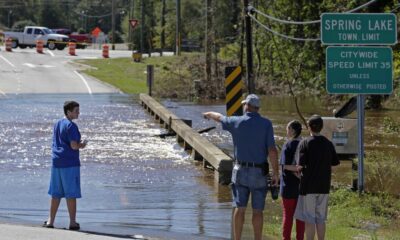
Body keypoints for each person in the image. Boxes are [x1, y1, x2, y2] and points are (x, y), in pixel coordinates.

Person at [203, 94, 279, 240]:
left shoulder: (236, 121)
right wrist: (276, 173)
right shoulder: (266, 124)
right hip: (259, 172)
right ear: (257, 108)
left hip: (240, 171)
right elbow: (272, 150)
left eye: (244, 104)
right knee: (258, 211)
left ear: (247, 106)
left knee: (240, 208)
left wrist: (208, 114)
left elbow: (219, 117)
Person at [294, 115, 340, 240]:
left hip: (308, 187)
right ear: (322, 127)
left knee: (309, 219)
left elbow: (300, 166)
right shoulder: (328, 143)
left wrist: (298, 171)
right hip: (324, 186)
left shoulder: (305, 142)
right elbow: (335, 162)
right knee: (320, 219)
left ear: (309, 127)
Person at [43, 101, 87, 230]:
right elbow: (74, 146)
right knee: (71, 193)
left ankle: (50, 221)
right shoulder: (71, 126)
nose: (78, 113)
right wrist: (82, 145)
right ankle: (72, 222)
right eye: (76, 111)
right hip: (69, 163)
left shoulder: (57, 124)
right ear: (68, 112)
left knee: (56, 193)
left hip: (56, 161)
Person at [280, 120, 305, 240]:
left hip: (288, 186)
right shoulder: (305, 143)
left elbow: (283, 165)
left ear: (293, 131)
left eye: (287, 128)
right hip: (303, 187)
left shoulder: (288, 145)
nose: (286, 131)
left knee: (288, 215)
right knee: (300, 217)